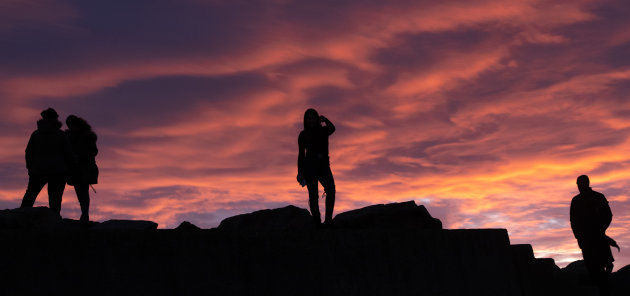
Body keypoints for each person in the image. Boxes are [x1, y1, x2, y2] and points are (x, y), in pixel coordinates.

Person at [20, 108, 72, 214]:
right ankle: (54, 222)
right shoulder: (61, 135)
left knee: (30, 195)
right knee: (55, 199)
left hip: (38, 170)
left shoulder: (36, 134)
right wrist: (69, 167)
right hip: (58, 171)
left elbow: (29, 152)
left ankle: (20, 217)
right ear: (55, 119)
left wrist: (30, 167)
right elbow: (68, 153)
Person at [570, 175, 616, 294]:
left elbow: (608, 216)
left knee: (605, 264)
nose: (579, 186)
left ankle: (604, 287)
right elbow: (573, 221)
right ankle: (602, 287)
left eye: (581, 184)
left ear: (586, 183)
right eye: (578, 184)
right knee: (593, 267)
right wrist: (579, 237)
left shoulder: (598, 197)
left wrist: (600, 229)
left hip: (598, 238)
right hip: (586, 240)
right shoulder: (576, 201)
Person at [297, 108, 336, 225]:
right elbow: (301, 155)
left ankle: (328, 220)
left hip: (323, 166)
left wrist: (325, 120)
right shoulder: (303, 135)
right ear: (305, 120)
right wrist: (300, 172)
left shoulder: (324, 131)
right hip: (310, 167)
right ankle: (317, 222)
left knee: (331, 189)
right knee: (313, 196)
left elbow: (332, 128)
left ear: (317, 118)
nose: (311, 120)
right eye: (308, 118)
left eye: (313, 117)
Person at [66, 115, 98, 222]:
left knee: (83, 193)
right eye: (69, 126)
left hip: (85, 168)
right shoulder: (68, 136)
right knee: (81, 193)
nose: (70, 127)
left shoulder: (87, 136)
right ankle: (84, 215)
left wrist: (80, 156)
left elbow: (93, 152)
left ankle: (85, 215)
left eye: (72, 125)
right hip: (75, 169)